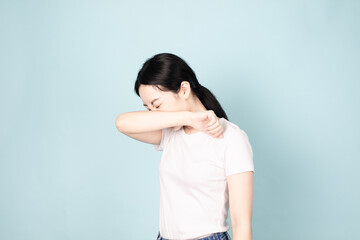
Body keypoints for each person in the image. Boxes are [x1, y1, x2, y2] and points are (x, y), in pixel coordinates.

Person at [115, 53, 255, 240]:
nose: (154, 115)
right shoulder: (170, 133)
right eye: (149, 109)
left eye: (157, 105)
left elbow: (241, 223)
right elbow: (121, 123)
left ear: (184, 89)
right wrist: (189, 117)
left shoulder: (231, 138)